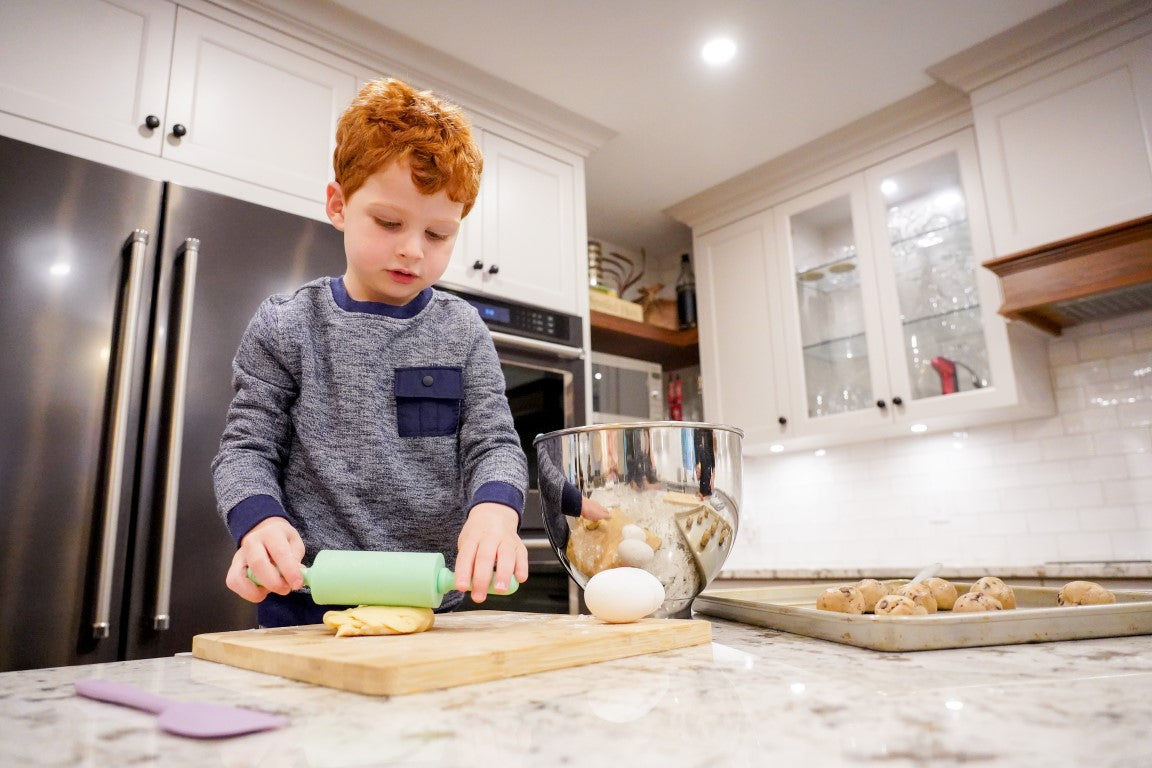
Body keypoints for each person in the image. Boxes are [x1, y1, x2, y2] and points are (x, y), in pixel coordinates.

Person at [211, 78, 529, 628]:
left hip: (438, 606)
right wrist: (257, 523)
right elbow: (246, 448)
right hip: (304, 604)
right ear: (338, 204)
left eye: (438, 234)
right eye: (389, 222)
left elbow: (494, 442)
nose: (412, 249)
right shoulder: (288, 324)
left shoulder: (462, 331)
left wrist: (495, 510)